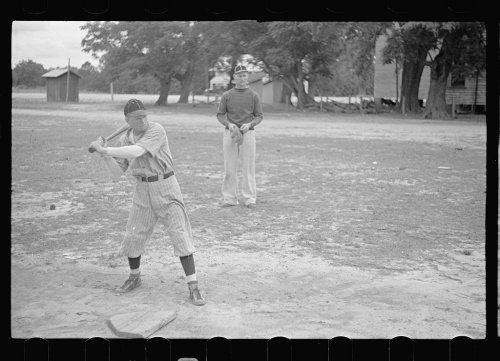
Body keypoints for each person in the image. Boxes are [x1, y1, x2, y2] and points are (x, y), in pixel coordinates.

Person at [89, 99, 206, 306]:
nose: (143, 120)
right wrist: (104, 155)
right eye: (137, 117)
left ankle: (193, 286)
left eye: (144, 116)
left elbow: (137, 151)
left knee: (180, 234)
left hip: (166, 187)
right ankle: (134, 277)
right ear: (127, 119)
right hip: (142, 190)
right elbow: (117, 172)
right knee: (133, 234)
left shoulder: (156, 130)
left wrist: (107, 150)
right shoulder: (126, 138)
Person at [216, 65, 264, 208]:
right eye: (239, 75)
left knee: (248, 167)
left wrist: (249, 124)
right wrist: (228, 124)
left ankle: (249, 198)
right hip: (230, 133)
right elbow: (220, 115)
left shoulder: (254, 95)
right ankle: (229, 198)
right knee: (229, 166)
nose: (242, 78)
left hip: (248, 133)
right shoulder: (227, 95)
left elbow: (259, 116)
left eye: (244, 75)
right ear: (234, 78)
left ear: (247, 77)